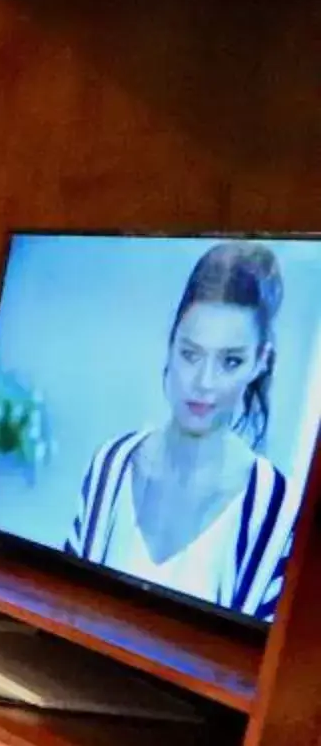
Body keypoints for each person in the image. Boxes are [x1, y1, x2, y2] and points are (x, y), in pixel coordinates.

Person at [67, 242, 296, 619]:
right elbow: (62, 605)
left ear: (261, 362)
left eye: (231, 361)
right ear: (171, 344)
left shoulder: (278, 511)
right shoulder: (112, 463)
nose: (204, 382)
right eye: (191, 354)